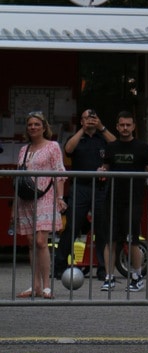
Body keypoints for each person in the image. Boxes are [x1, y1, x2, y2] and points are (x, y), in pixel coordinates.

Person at [101, 111, 148, 292]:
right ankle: (109, 278)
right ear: (117, 126)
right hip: (112, 199)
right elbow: (104, 169)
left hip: (134, 200)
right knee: (110, 240)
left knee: (133, 240)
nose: (125, 128)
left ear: (134, 126)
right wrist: (101, 172)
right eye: (122, 125)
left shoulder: (143, 148)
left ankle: (137, 277)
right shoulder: (111, 147)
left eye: (128, 125)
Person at [53, 109, 116, 278]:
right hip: (80, 187)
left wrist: (101, 127)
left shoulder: (103, 137)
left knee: (101, 229)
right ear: (81, 121)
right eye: (86, 118)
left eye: (93, 118)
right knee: (72, 227)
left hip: (101, 188)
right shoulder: (76, 137)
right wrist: (82, 130)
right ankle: (58, 266)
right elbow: (68, 149)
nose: (90, 120)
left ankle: (103, 269)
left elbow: (117, 147)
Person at [13, 111, 67, 299]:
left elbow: (59, 172)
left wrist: (60, 198)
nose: (33, 127)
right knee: (30, 243)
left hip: (46, 196)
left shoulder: (53, 146)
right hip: (25, 199)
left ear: (44, 127)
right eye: (30, 125)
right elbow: (19, 179)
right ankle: (34, 285)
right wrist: (14, 207)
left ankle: (47, 286)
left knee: (41, 241)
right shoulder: (23, 150)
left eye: (37, 124)